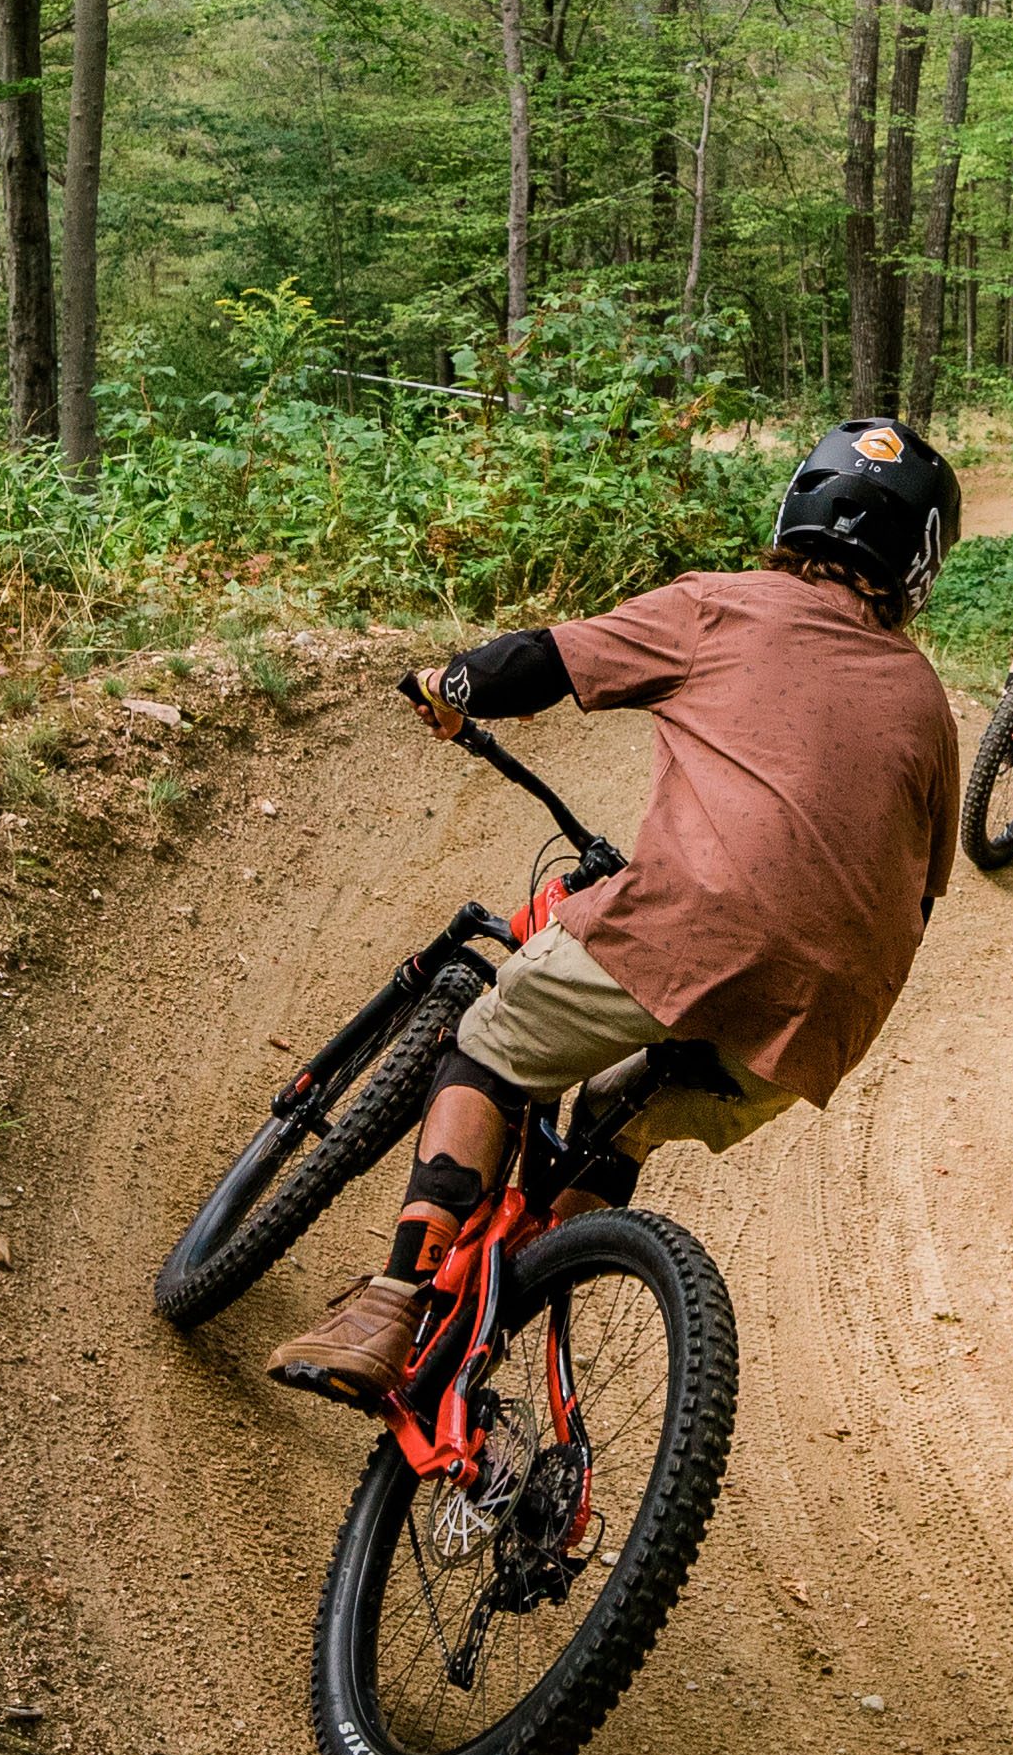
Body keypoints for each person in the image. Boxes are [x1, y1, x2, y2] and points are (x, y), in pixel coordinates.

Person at [264, 420, 965, 1407]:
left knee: (493, 1042)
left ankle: (395, 1301)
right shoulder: (926, 699)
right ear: (919, 561)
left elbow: (545, 661)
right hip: (826, 1020)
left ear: (797, 507)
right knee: (614, 1117)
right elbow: (923, 890)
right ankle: (515, 1308)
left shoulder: (721, 605)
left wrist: (447, 683)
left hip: (693, 927)